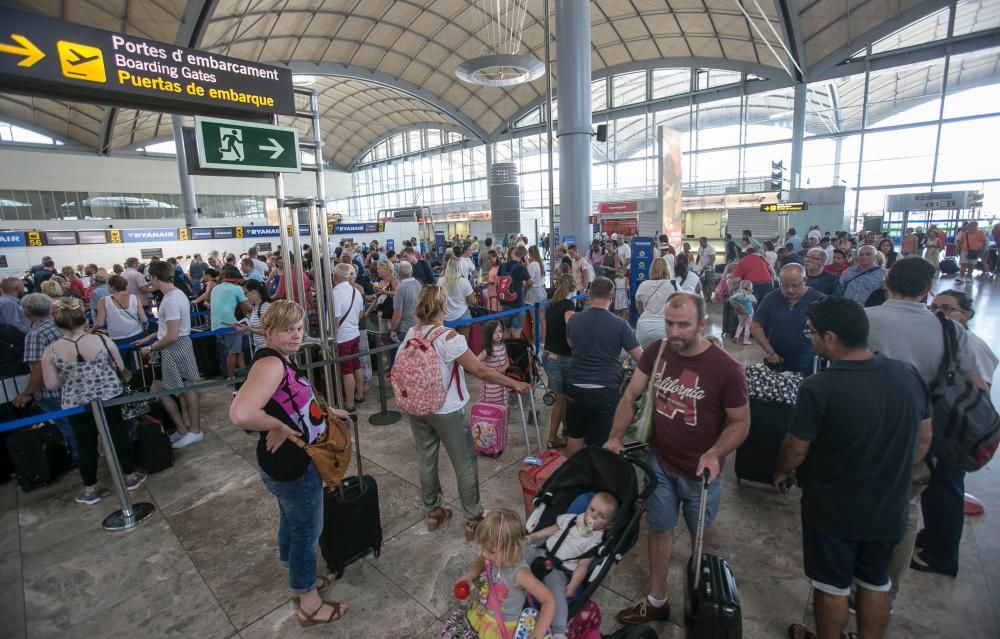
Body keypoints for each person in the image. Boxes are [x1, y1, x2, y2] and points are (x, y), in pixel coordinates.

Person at [778, 296, 932, 639]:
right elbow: (924, 440)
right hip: (889, 504)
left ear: (830, 337)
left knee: (831, 586)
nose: (810, 338)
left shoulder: (820, 387)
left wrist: (783, 471)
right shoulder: (906, 375)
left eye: (812, 332)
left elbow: (794, 450)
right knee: (876, 581)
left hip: (834, 508)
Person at [607, 292, 749, 625]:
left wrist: (715, 452)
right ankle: (657, 599)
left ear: (702, 324)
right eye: (670, 323)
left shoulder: (726, 369)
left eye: (683, 325)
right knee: (659, 529)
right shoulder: (657, 352)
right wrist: (614, 436)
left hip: (702, 476)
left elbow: (741, 422)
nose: (674, 333)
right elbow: (630, 395)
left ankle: (704, 600)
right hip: (660, 464)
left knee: (702, 538)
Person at [865, 257, 986, 598]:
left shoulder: (862, 319)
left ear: (886, 282)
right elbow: (978, 387)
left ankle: (848, 582)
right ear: (928, 290)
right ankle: (883, 589)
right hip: (922, 437)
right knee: (905, 510)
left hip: (866, 431)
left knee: (854, 501)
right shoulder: (951, 330)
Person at [229, 300, 351, 627]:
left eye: (299, 329)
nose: (297, 336)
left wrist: (327, 412)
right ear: (268, 332)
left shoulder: (282, 359)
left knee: (292, 523)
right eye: (288, 330)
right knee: (308, 533)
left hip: (287, 464)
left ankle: (297, 582)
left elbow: (297, 401)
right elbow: (240, 414)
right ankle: (309, 604)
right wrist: (278, 426)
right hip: (292, 466)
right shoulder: (270, 365)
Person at [398, 286, 529, 539]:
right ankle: (473, 518)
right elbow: (480, 371)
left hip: (416, 408)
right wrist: (514, 383)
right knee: (465, 462)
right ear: (444, 308)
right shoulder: (449, 338)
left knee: (426, 458)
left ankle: (434, 511)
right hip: (446, 410)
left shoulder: (410, 335)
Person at [40, 298, 147, 505]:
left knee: (85, 443)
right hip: (109, 395)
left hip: (76, 401)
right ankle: (130, 476)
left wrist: (67, 374)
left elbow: (51, 384)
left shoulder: (51, 350)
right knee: (118, 434)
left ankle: (89, 489)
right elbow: (120, 366)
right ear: (83, 318)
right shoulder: (102, 341)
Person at [447, 509, 555, 639]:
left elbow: (549, 600)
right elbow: (482, 560)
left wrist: (538, 633)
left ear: (512, 549)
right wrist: (470, 576)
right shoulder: (494, 556)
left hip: (501, 629)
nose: (485, 554)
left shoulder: (521, 575)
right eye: (483, 548)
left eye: (491, 551)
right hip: (482, 614)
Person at [564, 277, 643, 455]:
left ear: (590, 295)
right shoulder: (621, 324)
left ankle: (574, 476)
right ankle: (598, 478)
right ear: (612, 296)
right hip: (605, 390)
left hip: (575, 387)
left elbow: (571, 346)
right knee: (603, 441)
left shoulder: (574, 320)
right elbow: (641, 358)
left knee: (575, 435)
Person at [524, 493, 619, 637]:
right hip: (543, 553)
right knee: (522, 551)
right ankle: (499, 571)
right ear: (587, 507)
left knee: (557, 594)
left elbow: (583, 566)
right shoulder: (570, 519)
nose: (593, 516)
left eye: (601, 517)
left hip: (559, 570)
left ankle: (559, 631)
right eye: (592, 510)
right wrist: (533, 537)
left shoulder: (595, 542)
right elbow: (551, 530)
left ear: (609, 525)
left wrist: (573, 585)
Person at [133, 261, 203, 449]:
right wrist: (149, 337)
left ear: (155, 277)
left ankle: (192, 430)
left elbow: (172, 334)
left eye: (150, 279)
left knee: (182, 388)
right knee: (170, 388)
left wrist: (151, 347)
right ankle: (185, 430)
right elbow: (168, 328)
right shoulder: (176, 294)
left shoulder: (171, 299)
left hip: (175, 347)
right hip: (176, 345)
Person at [14, 293, 79, 462]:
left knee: (67, 425)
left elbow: (38, 369)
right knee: (79, 422)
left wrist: (28, 393)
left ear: (27, 314)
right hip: (75, 383)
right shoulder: (62, 325)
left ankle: (79, 457)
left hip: (53, 391)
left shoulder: (35, 335)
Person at [751, 264, 826, 375]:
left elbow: (830, 331)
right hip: (778, 361)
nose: (790, 290)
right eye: (785, 285)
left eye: (795, 285)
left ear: (805, 280)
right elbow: (756, 326)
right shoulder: (771, 298)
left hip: (809, 362)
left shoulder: (819, 299)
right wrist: (770, 352)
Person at [930, 289, 998, 383]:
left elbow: (981, 389)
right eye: (933, 308)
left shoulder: (975, 348)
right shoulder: (934, 337)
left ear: (966, 315)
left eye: (947, 309)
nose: (937, 313)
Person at [542, 273, 576, 450]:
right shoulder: (569, 305)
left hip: (548, 354)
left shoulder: (551, 304)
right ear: (573, 287)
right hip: (561, 356)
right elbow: (570, 331)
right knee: (561, 399)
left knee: (561, 395)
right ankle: (552, 437)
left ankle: (567, 429)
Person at [331, 263, 365, 412]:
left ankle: (350, 404)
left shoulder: (336, 293)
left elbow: (336, 319)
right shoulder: (355, 291)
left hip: (343, 337)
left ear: (335, 277)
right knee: (356, 364)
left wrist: (330, 335)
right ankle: (360, 394)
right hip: (355, 334)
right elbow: (360, 314)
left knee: (347, 370)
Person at [94, 275, 148, 362]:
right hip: (137, 334)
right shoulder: (134, 298)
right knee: (139, 362)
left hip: (117, 338)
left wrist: (92, 330)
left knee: (122, 364)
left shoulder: (103, 300)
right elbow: (144, 320)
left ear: (113, 287)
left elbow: (99, 323)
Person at [211, 265, 252, 381]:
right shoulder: (236, 289)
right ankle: (231, 378)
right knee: (233, 353)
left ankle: (244, 377)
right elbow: (248, 306)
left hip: (216, 326)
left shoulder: (216, 288)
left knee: (238, 352)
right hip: (230, 325)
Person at [634, 257, 676, 348]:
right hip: (665, 329)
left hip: (644, 328)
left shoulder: (643, 285)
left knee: (643, 359)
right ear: (667, 269)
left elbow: (638, 306)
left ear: (651, 269)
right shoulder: (674, 285)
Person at [499, 246, 533, 338]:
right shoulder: (521, 267)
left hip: (505, 303)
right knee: (516, 334)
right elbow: (530, 282)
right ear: (523, 256)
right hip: (518, 304)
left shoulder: (502, 266)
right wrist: (524, 287)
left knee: (506, 331)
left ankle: (505, 351)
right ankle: (514, 351)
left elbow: (497, 284)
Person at [438, 256, 475, 338]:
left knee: (448, 344)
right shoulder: (464, 282)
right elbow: (472, 301)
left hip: (446, 318)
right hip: (463, 317)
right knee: (463, 344)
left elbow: (439, 300)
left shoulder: (440, 281)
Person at [477, 320, 509, 405]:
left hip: (500, 382)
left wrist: (502, 369)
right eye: (494, 332)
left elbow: (507, 363)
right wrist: (487, 370)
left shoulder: (503, 346)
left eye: (500, 331)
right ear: (488, 335)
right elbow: (476, 362)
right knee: (489, 406)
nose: (498, 334)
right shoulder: (487, 350)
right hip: (489, 384)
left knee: (501, 404)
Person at [237, 279, 272, 355]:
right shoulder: (256, 307)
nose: (244, 297)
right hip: (260, 348)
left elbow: (267, 332)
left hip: (267, 349)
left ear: (254, 292)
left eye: (245, 293)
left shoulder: (264, 307)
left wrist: (248, 329)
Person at [390, 261, 421, 344]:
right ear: (411, 271)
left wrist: (393, 329)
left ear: (399, 273)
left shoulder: (400, 289)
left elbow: (397, 314)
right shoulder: (418, 284)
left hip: (406, 329)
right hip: (419, 325)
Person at [525, 245, 548, 340]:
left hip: (533, 293)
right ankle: (543, 340)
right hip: (542, 291)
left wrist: (524, 287)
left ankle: (536, 342)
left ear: (530, 253)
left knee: (535, 320)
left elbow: (530, 281)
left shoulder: (532, 265)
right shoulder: (541, 263)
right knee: (542, 318)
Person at [729, 280, 757, 346]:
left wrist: (737, 306)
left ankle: (736, 336)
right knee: (747, 325)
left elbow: (731, 299)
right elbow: (755, 301)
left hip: (740, 312)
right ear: (750, 287)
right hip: (749, 313)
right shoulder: (751, 296)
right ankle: (746, 340)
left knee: (740, 324)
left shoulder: (738, 295)